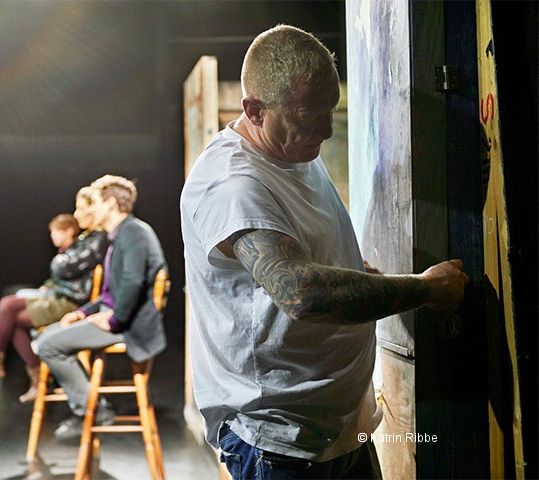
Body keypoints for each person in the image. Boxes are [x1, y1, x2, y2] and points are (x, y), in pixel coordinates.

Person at [179, 24, 470, 480]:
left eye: (329, 110)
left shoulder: (293, 150)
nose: (327, 130)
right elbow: (302, 293)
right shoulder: (232, 185)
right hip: (280, 442)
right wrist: (426, 288)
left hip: (339, 429)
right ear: (254, 110)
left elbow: (306, 254)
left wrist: (352, 273)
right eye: (308, 116)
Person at [34, 174, 169, 441]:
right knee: (47, 336)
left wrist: (114, 320)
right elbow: (112, 291)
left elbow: (133, 281)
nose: (90, 209)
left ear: (110, 204)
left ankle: (92, 410)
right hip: (116, 317)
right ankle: (91, 406)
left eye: (94, 203)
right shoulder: (119, 235)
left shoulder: (134, 232)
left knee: (48, 345)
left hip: (130, 326)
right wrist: (83, 312)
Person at [0, 189, 110, 403]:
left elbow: (64, 269)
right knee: (10, 309)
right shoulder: (84, 240)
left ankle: (3, 362)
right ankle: (19, 370)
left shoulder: (96, 239)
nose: (77, 214)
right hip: (60, 296)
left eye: (81, 209)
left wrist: (57, 264)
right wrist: (49, 284)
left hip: (70, 302)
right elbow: (60, 275)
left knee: (9, 308)